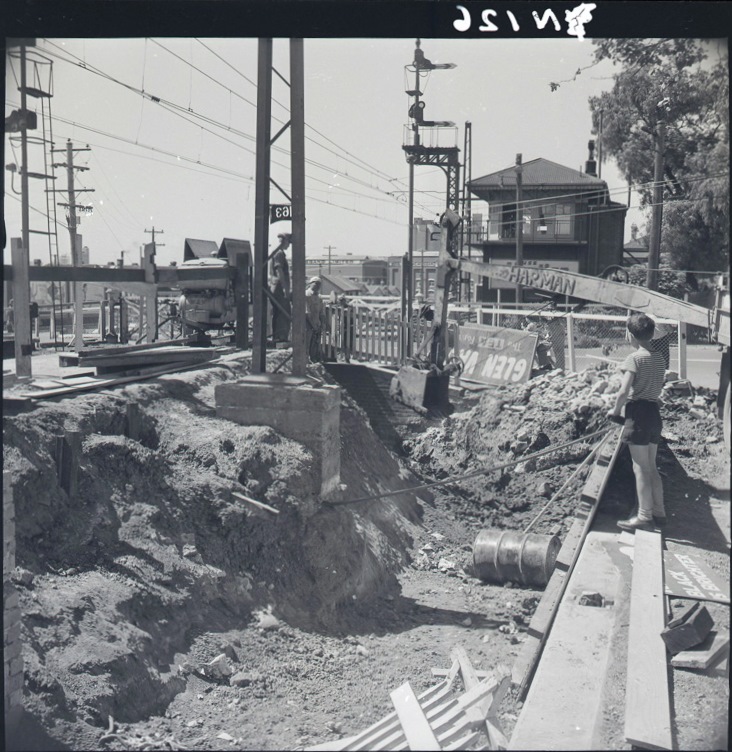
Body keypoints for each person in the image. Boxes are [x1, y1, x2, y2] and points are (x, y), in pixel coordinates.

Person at [607, 313, 667, 531]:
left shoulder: (634, 359)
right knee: (652, 466)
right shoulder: (659, 357)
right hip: (653, 413)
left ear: (630, 335)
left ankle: (644, 516)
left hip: (638, 412)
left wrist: (615, 412)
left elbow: (624, 391)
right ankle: (659, 511)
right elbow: (658, 386)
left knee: (640, 467)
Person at [270, 234, 291, 343]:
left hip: (276, 286)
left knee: (279, 312)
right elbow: (279, 271)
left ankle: (278, 337)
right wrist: (285, 288)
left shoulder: (277, 253)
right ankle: (280, 337)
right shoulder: (279, 254)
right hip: (279, 287)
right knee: (283, 311)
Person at [305, 276, 325, 362]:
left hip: (316, 325)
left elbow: (322, 312)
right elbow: (307, 312)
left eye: (319, 284)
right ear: (310, 284)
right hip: (307, 325)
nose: (318, 286)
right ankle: (305, 361)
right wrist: (312, 325)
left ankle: (313, 360)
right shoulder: (306, 295)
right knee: (306, 344)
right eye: (316, 283)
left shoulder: (319, 297)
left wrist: (322, 323)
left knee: (315, 345)